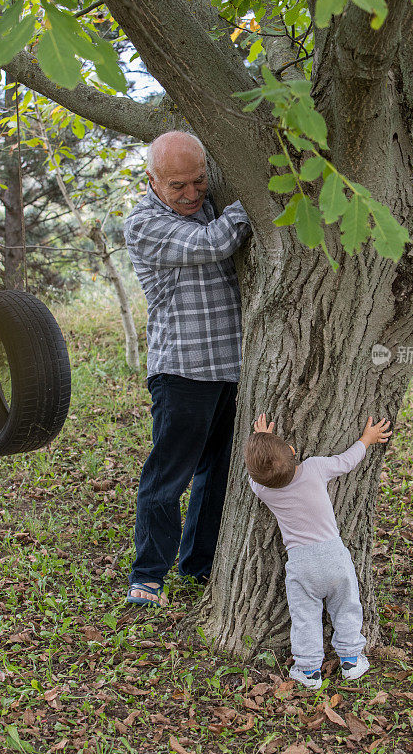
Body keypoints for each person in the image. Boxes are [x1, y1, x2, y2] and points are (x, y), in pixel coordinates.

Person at [124, 130, 251, 607]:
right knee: (167, 478)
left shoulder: (209, 204)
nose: (191, 194)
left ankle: (198, 567)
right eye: (177, 185)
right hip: (182, 370)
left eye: (199, 182)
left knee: (216, 475)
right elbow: (212, 245)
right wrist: (261, 196)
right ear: (153, 180)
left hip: (232, 370)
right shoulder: (143, 224)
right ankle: (148, 576)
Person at [244, 412, 392, 689]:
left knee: (305, 618)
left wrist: (259, 440)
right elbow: (346, 461)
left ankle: (309, 670)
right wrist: (366, 439)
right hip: (334, 555)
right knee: (347, 606)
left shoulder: (263, 489)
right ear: (291, 450)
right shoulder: (314, 468)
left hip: (301, 563)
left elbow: (256, 475)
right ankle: (350, 659)